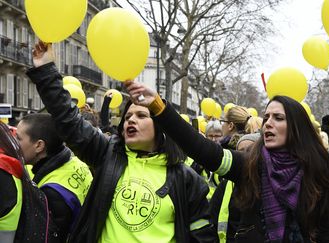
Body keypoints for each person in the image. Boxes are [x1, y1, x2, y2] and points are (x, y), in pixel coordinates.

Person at [27, 41, 216, 243]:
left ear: (161, 127)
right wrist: (46, 70)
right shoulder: (107, 154)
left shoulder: (188, 181)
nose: (131, 120)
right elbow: (68, 118)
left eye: (142, 116)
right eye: (127, 117)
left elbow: (203, 237)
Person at [126, 79, 329, 242]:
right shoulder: (250, 165)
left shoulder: (320, 171)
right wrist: (158, 107)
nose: (268, 123)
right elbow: (202, 149)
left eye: (278, 118)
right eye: (267, 117)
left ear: (297, 128)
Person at [16, 113, 94, 242]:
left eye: (18, 138)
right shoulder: (75, 162)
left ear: (39, 146)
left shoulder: (52, 193)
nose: (13, 142)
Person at [0, 122, 51, 243]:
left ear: (39, 145)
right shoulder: (13, 167)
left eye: (18, 138)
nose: (16, 143)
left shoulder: (5, 171)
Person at [210, 133, 261, 242]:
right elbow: (212, 219)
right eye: (240, 151)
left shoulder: (268, 186)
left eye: (249, 151)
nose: (244, 155)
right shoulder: (225, 186)